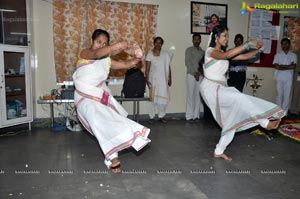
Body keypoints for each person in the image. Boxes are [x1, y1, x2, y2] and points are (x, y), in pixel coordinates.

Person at [200, 25, 285, 161]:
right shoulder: (211, 52)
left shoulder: (223, 53)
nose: (227, 38)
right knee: (239, 97)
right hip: (210, 88)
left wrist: (257, 50)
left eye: (227, 35)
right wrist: (247, 44)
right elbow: (227, 55)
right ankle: (265, 123)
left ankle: (219, 150)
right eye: (224, 35)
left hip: (220, 87)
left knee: (233, 117)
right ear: (216, 37)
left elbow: (244, 55)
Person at [72, 29, 150, 173]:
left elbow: (126, 64)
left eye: (105, 43)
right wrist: (116, 46)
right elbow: (96, 54)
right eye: (98, 42)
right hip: (85, 97)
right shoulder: (85, 53)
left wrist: (138, 58)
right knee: (96, 120)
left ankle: (112, 158)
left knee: (107, 122)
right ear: (91, 41)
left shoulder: (106, 61)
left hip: (100, 97)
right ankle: (112, 157)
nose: (101, 46)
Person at [145, 36, 172, 124]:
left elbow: (168, 67)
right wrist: (147, 79)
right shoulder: (150, 54)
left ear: (162, 44)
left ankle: (161, 116)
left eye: (160, 43)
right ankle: (151, 117)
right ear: (154, 43)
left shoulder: (166, 54)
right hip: (153, 80)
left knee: (163, 99)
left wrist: (170, 78)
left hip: (163, 80)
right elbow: (147, 68)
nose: (158, 44)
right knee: (152, 100)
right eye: (156, 42)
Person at [273, 38, 297, 115]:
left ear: (289, 44)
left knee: (287, 96)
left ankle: (284, 113)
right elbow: (277, 66)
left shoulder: (293, 55)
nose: (284, 45)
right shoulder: (278, 54)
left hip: (289, 78)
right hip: (279, 77)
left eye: (286, 43)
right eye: (282, 44)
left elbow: (293, 66)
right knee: (279, 95)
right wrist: (288, 66)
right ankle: (278, 112)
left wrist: (282, 66)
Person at [185, 33, 205, 122]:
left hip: (200, 76)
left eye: (198, 39)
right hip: (191, 75)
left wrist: (199, 73)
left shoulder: (203, 52)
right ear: (192, 40)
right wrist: (195, 73)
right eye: (195, 39)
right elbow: (188, 63)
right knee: (190, 95)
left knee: (198, 96)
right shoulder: (189, 50)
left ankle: (196, 115)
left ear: (200, 40)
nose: (197, 41)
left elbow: (203, 65)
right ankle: (189, 116)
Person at [290, 51, 300, 116]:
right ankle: (294, 110)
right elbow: (292, 64)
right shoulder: (296, 54)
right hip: (298, 74)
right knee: (296, 92)